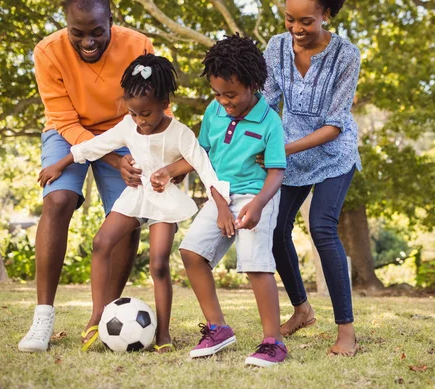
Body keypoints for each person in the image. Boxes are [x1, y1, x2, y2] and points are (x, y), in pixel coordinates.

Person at [37, 54, 230, 352]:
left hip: (165, 203)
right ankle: (97, 316)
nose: (140, 121)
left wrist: (222, 206)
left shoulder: (180, 133)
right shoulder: (128, 126)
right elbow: (91, 146)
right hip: (136, 196)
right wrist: (60, 164)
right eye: (134, 113)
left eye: (147, 114)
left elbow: (204, 167)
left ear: (165, 102)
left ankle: (163, 334)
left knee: (159, 265)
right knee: (101, 242)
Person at [18, 0, 172, 352]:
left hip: (126, 130)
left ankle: (101, 318)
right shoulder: (47, 52)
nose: (88, 41)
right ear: (66, 25)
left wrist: (146, 155)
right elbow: (66, 121)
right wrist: (112, 156)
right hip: (68, 131)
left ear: (111, 22)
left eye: (97, 33)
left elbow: (157, 102)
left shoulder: (137, 45)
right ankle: (43, 317)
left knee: (128, 213)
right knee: (57, 199)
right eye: (78, 33)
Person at [152, 34, 288, 367]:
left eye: (231, 95)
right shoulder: (213, 112)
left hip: (258, 195)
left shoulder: (269, 120)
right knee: (191, 252)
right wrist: (171, 170)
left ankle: (274, 341)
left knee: (254, 261)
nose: (224, 102)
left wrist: (256, 206)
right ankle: (218, 328)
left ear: (253, 85)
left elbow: (276, 172)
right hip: (220, 193)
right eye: (217, 94)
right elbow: (205, 159)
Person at [262, 0, 362, 356]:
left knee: (322, 227)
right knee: (275, 228)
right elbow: (265, 100)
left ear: (326, 15)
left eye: (306, 21)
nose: (296, 29)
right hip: (290, 151)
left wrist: (281, 151)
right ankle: (302, 309)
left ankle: (346, 330)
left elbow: (335, 124)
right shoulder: (275, 47)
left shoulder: (346, 56)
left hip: (334, 153)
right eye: (290, 19)